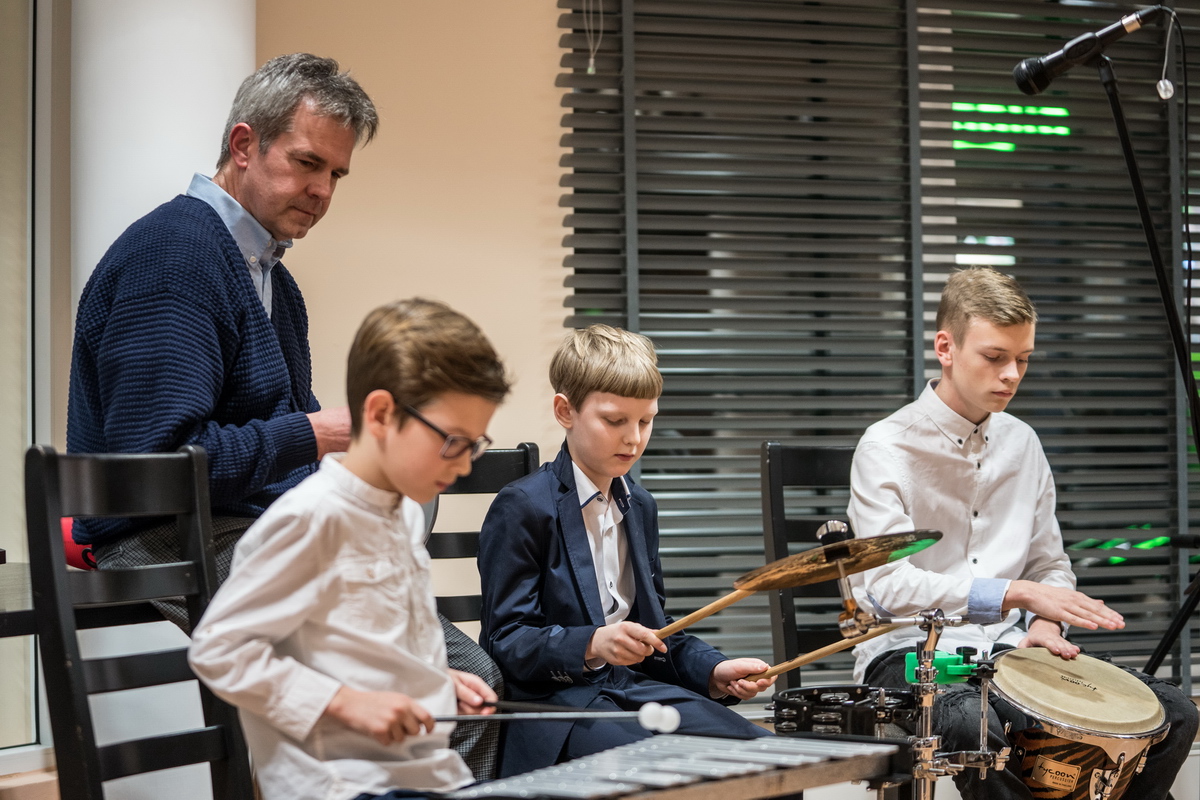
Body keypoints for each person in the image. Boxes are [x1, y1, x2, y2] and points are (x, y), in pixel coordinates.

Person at [846, 266, 1197, 800]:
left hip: (1011, 651)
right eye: (994, 357)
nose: (1011, 374)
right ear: (946, 348)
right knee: (975, 726)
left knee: (1175, 713)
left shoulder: (1023, 442)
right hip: (909, 655)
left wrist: (1044, 623)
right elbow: (886, 588)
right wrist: (1016, 593)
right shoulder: (885, 447)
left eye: (1023, 359)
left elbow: (1048, 565)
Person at [189, 298, 511, 800]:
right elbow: (219, 650)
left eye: (475, 444)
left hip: (425, 776)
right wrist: (343, 702)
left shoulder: (405, 513)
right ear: (381, 413)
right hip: (344, 784)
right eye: (452, 441)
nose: (466, 464)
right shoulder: (311, 518)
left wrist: (433, 681)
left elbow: (363, 646)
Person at [478, 324, 777, 778]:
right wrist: (593, 642)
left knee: (771, 760)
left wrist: (713, 671)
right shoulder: (522, 506)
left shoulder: (640, 505)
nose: (633, 438)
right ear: (565, 410)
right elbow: (506, 641)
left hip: (632, 690)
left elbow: (657, 633)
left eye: (645, 420)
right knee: (668, 773)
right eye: (615, 421)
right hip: (559, 707)